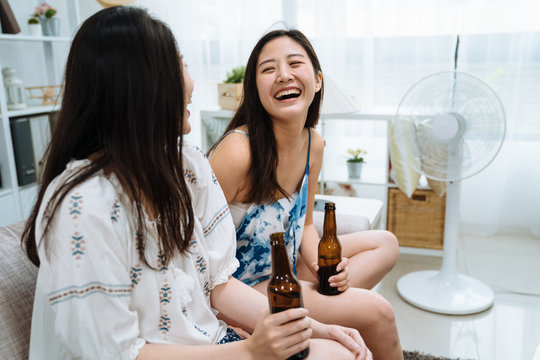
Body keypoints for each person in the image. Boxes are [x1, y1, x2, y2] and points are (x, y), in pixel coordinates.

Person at [21, 7, 372, 360]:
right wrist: (251, 351)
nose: (191, 82)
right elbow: (117, 354)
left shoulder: (187, 162)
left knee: (345, 350)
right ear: (138, 85)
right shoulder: (82, 206)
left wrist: (310, 327)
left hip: (209, 341)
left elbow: (218, 283)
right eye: (180, 65)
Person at [209, 29, 403, 359]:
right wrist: (234, 315)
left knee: (387, 242)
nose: (283, 74)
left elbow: (306, 225)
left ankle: (329, 307)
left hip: (286, 266)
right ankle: (328, 315)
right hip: (244, 287)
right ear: (255, 90)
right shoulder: (238, 152)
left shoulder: (315, 144)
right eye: (268, 69)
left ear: (317, 80)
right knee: (379, 312)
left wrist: (323, 269)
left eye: (295, 63)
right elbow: (193, 255)